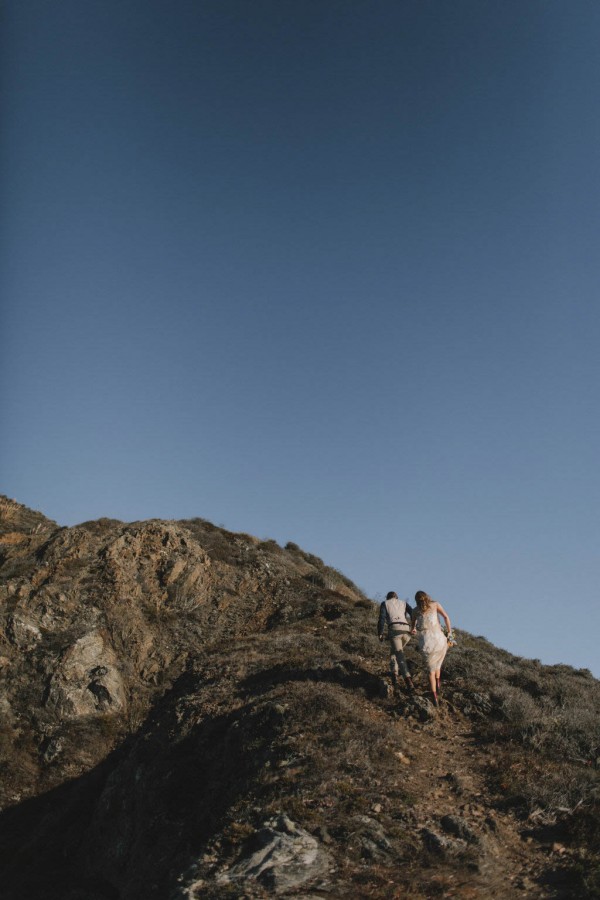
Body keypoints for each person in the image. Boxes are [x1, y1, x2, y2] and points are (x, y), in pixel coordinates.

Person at [411, 590, 452, 707]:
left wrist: (413, 629)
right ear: (427, 597)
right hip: (438, 638)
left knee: (430, 670)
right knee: (437, 662)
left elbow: (412, 625)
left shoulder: (414, 610)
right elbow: (445, 616)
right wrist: (449, 633)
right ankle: (438, 683)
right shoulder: (435, 604)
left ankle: (434, 696)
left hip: (426, 641)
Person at [378, 591, 416, 693]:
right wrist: (414, 627)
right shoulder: (403, 602)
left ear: (387, 597)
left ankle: (408, 681)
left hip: (395, 630)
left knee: (400, 656)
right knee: (394, 653)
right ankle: (394, 676)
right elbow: (413, 613)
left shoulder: (385, 603)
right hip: (406, 631)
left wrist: (380, 633)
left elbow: (381, 618)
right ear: (396, 597)